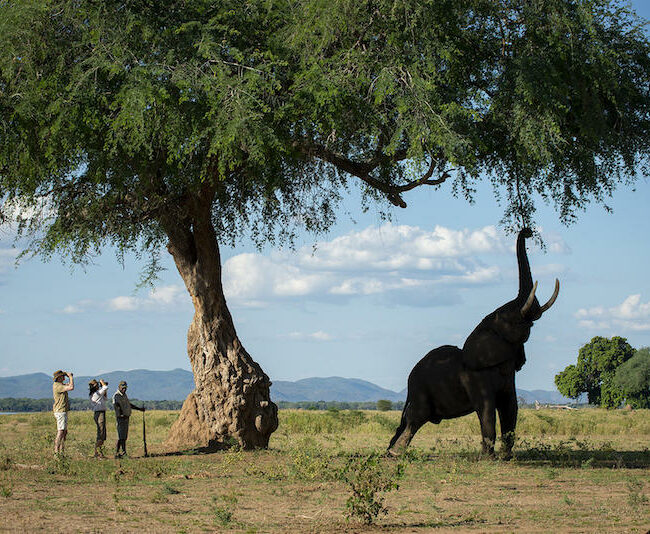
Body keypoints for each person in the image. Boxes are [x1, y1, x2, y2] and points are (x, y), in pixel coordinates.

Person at [112, 381, 145, 458]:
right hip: (121, 418)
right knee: (121, 436)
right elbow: (117, 406)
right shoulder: (116, 396)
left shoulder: (124, 395)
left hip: (126, 417)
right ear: (119, 387)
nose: (124, 389)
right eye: (123, 388)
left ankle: (122, 452)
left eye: (125, 388)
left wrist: (139, 409)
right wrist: (120, 415)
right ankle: (119, 452)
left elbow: (129, 405)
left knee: (124, 436)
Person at [52, 370, 74, 455]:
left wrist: (69, 377)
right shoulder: (58, 386)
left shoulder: (59, 385)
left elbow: (69, 385)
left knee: (64, 431)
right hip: (60, 411)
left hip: (62, 411)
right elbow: (71, 387)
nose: (64, 378)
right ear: (59, 377)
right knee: (60, 431)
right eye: (63, 376)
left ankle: (61, 450)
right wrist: (71, 377)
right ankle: (57, 451)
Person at [88, 379, 109, 458]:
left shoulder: (95, 394)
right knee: (101, 433)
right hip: (99, 413)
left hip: (100, 413)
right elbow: (105, 388)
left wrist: (103, 387)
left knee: (102, 433)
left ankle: (99, 452)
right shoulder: (95, 394)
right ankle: (97, 452)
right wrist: (102, 382)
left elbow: (105, 398)